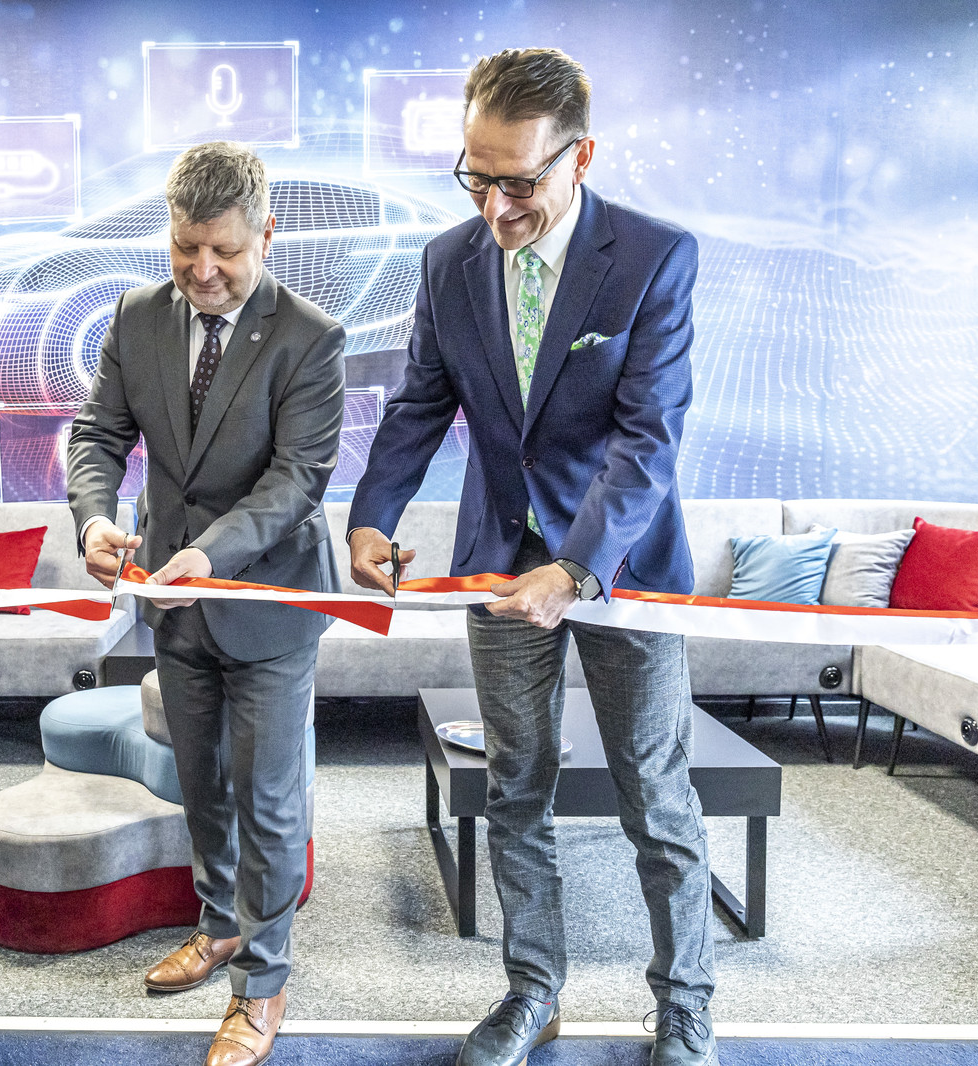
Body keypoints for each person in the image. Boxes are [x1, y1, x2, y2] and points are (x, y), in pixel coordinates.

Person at [347, 48, 720, 1066]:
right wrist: (371, 516)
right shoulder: (448, 262)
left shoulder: (653, 257)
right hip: (496, 563)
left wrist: (578, 567)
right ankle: (532, 991)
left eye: (517, 181)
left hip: (622, 569)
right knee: (515, 789)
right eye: (475, 177)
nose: (495, 205)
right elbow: (420, 404)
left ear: (579, 157)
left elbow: (647, 439)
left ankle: (684, 1006)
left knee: (655, 796)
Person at [66, 141, 344, 1066]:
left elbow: (295, 481)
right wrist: (95, 518)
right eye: (186, 247)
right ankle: (220, 923)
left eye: (224, 250)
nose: (202, 269)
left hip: (267, 603)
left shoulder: (310, 337)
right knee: (203, 784)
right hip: (172, 605)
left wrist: (208, 553)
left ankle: (262, 985)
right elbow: (98, 434)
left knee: (268, 799)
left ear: (266, 233)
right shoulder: (137, 315)